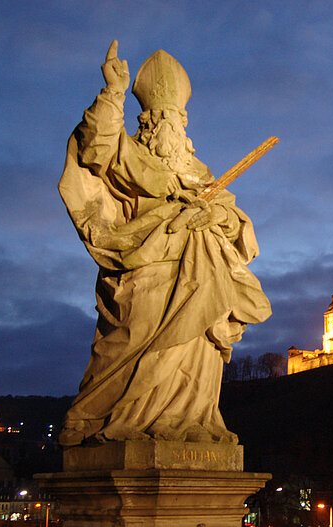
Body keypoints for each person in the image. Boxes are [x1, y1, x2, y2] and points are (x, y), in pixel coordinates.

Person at [58, 41, 271, 447]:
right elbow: (95, 147)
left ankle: (190, 422)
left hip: (199, 272)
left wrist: (215, 216)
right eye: (163, 118)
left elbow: (235, 219)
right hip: (144, 269)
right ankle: (106, 417)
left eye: (178, 120)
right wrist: (114, 92)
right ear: (147, 122)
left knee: (197, 339)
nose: (173, 128)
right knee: (131, 337)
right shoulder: (131, 155)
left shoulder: (197, 171)